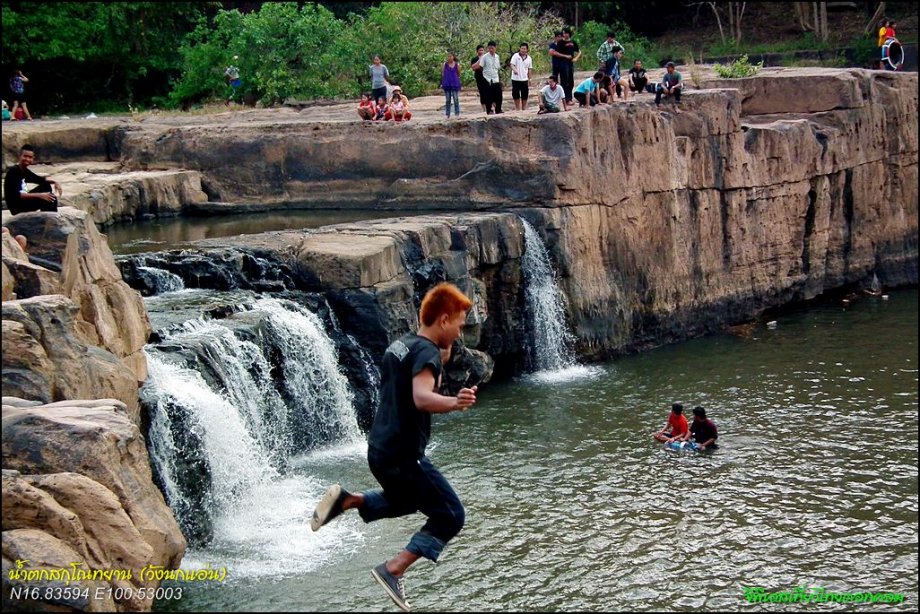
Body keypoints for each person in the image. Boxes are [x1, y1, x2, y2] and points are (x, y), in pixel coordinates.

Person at [309, 282, 479, 612]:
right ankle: (394, 569)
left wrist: (440, 359)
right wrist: (454, 402)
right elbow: (422, 397)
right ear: (444, 319)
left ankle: (349, 500)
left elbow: (412, 380)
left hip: (380, 448)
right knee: (451, 515)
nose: (459, 333)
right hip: (404, 455)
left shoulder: (401, 346)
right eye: (459, 325)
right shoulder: (427, 353)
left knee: (407, 501)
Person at [4, 144, 62, 215]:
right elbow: (16, 195)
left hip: (23, 202)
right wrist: (41, 195)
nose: (27, 159)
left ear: (33, 158)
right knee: (50, 197)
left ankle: (48, 216)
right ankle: (49, 218)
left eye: (30, 157)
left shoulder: (24, 171)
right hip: (17, 207)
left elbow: (40, 180)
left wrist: (55, 182)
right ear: (20, 156)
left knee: (47, 188)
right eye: (25, 156)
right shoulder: (13, 171)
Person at [558, 28, 581, 106]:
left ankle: (570, 98)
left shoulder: (573, 42)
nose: (564, 35)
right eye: (563, 33)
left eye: (565, 33)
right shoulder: (560, 42)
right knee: (565, 81)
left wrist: (576, 58)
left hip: (570, 63)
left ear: (569, 34)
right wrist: (565, 56)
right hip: (563, 63)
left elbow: (579, 51)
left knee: (571, 81)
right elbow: (557, 53)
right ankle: (566, 99)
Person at [480, 41, 503, 114]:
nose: (491, 50)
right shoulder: (484, 57)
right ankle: (489, 110)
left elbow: (497, 68)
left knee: (499, 95)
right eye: (489, 48)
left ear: (495, 48)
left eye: (492, 48)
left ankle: (498, 109)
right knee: (488, 95)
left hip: (495, 78)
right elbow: (481, 67)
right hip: (487, 78)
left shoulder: (497, 57)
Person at [509, 43, 533, 112]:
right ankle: (517, 108)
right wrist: (515, 70)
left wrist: (530, 79)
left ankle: (524, 108)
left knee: (525, 94)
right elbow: (512, 64)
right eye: (522, 48)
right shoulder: (515, 56)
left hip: (524, 79)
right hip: (516, 79)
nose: (523, 50)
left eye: (524, 49)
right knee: (516, 93)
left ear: (527, 50)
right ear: (519, 49)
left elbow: (529, 69)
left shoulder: (529, 58)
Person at [440, 51, 462, 118]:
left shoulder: (457, 64)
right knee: (448, 100)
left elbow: (459, 74)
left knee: (456, 99)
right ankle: (447, 114)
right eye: (448, 56)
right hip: (447, 83)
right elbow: (443, 73)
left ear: (453, 57)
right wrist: (442, 82)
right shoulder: (445, 64)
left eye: (450, 56)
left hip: (454, 83)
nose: (449, 58)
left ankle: (457, 113)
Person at [470, 45, 489, 113]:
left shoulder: (487, 58)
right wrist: (480, 59)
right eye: (480, 50)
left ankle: (491, 107)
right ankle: (484, 109)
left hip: (487, 77)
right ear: (477, 51)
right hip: (479, 78)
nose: (481, 52)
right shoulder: (474, 59)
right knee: (482, 93)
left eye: (482, 50)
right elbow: (474, 67)